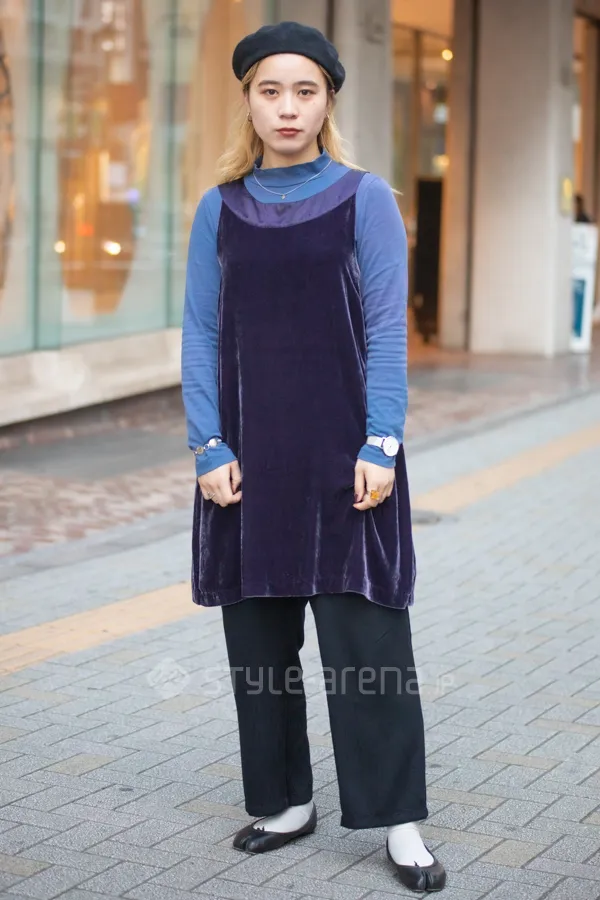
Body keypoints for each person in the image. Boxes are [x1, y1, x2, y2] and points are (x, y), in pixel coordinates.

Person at [181, 21, 446, 894]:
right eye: (270, 91)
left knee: (369, 645)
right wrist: (208, 442)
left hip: (346, 460)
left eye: (304, 91)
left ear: (328, 101)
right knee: (259, 648)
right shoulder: (219, 208)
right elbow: (201, 331)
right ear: (249, 102)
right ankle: (286, 802)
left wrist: (381, 441)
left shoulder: (365, 198)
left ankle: (399, 822)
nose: (287, 107)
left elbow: (386, 328)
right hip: (248, 463)